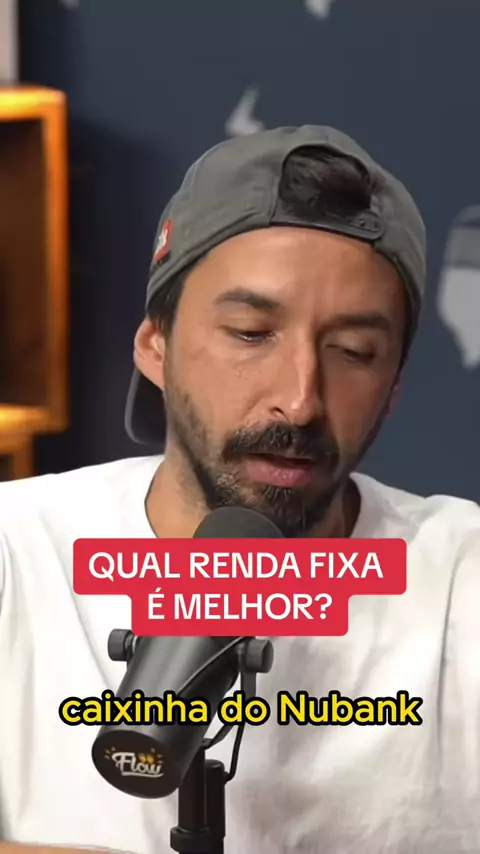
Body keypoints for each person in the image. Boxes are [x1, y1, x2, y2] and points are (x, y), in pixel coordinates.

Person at [0, 125, 479, 854]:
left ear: (393, 387)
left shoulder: (461, 577)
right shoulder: (15, 549)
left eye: (354, 351)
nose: (300, 401)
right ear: (155, 345)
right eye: (252, 333)